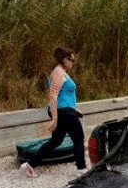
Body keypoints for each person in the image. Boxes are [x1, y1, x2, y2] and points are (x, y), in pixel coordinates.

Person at [20, 46, 88, 177]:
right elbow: (53, 95)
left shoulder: (63, 72)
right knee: (78, 138)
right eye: (72, 60)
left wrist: (75, 109)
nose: (73, 63)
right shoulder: (58, 73)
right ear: (65, 59)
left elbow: (66, 95)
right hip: (63, 112)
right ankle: (81, 168)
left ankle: (31, 164)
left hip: (66, 110)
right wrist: (55, 119)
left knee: (56, 141)